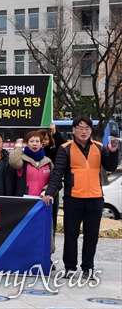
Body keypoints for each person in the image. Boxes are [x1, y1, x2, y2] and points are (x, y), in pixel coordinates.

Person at [42, 116, 119, 280]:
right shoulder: (65, 148)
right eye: (80, 128)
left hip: (96, 198)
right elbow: (58, 172)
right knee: (71, 234)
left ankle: (88, 268)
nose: (84, 132)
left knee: (91, 235)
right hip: (74, 198)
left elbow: (110, 167)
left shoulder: (99, 147)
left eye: (87, 129)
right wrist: (50, 191)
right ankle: (70, 267)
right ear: (74, 130)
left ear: (91, 131)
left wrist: (113, 152)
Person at [10, 131, 53, 197]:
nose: (34, 144)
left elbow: (55, 181)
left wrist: (47, 191)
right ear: (27, 144)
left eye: (37, 141)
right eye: (31, 141)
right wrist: (18, 146)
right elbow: (14, 163)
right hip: (25, 201)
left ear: (41, 144)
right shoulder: (22, 159)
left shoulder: (48, 162)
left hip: (43, 201)